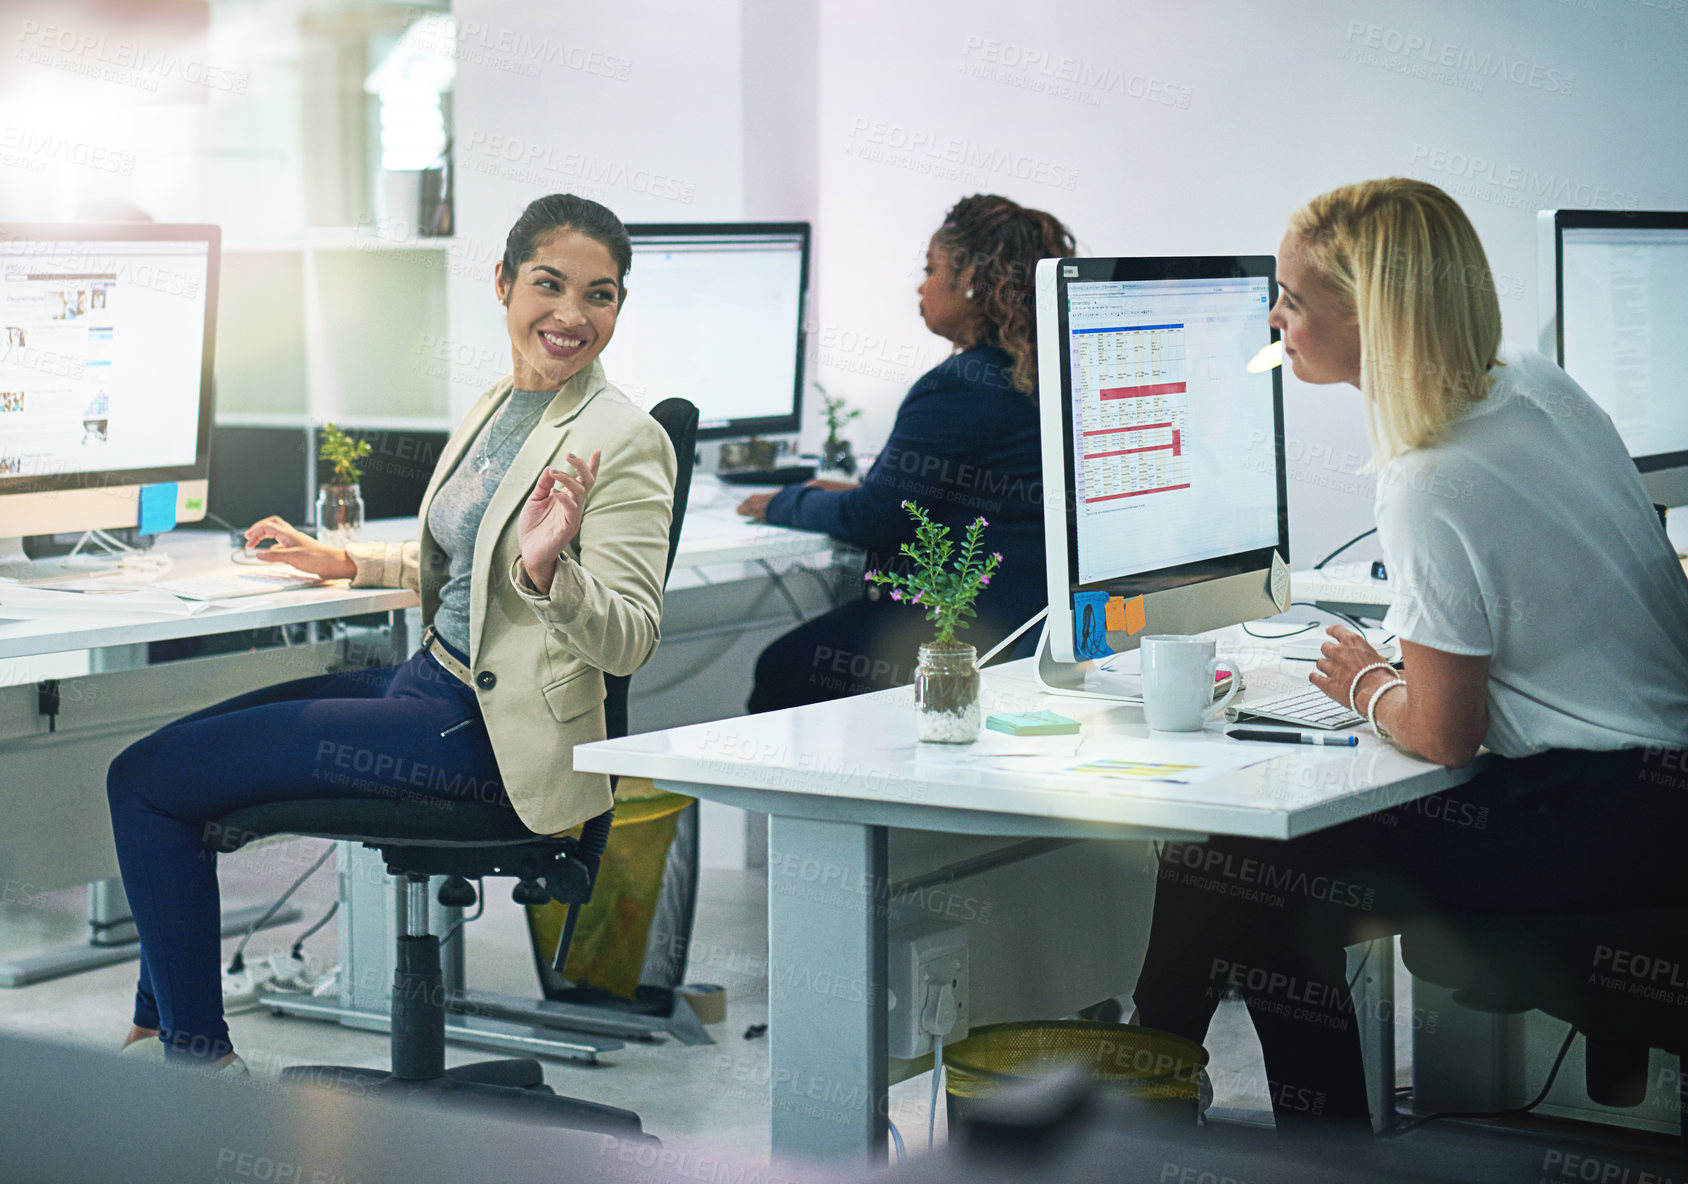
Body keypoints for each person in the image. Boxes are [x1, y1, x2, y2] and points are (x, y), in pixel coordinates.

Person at [1131, 178, 1688, 1135]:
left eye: (1295, 300)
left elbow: (1446, 733)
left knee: (1244, 861)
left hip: (1600, 818)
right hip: (1660, 794)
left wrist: (1370, 685)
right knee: (1245, 862)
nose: (1276, 317)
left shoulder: (1427, 478)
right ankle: (1165, 1084)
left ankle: (1166, 1094)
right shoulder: (1537, 385)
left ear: (1373, 317)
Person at [106, 194, 677, 1067]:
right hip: (426, 683)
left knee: (144, 781)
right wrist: (350, 563)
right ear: (503, 284)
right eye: (548, 285)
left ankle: (192, 1058)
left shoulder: (623, 437)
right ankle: (163, 1032)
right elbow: (471, 555)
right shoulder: (503, 400)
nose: (571, 315)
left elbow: (630, 637)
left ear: (617, 308)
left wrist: (550, 573)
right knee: (161, 763)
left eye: (599, 295)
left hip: (485, 736)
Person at [738, 194, 1073, 711]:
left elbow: (871, 519)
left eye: (930, 269)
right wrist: (862, 492)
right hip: (1034, 622)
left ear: (969, 281)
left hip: (962, 626)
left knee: (785, 665)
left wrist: (783, 502)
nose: (921, 285)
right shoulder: (1052, 369)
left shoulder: (958, 386)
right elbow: (955, 497)